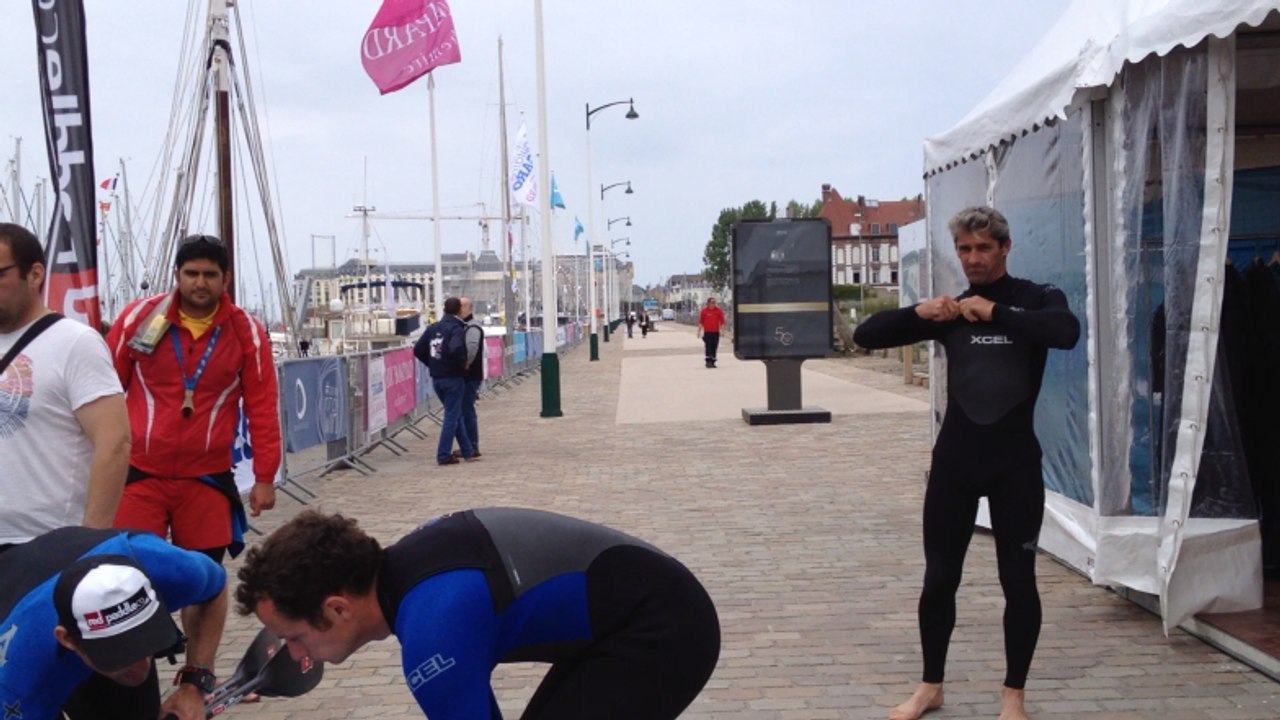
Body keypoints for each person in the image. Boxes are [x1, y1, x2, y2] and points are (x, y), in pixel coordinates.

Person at [852, 206, 1080, 720]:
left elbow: (1065, 332)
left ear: (1004, 247)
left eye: (982, 248)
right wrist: (920, 315)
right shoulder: (951, 312)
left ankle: (1012, 698)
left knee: (1018, 582)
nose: (972, 258)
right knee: (939, 579)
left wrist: (995, 312)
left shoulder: (1036, 299)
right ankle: (931, 687)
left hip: (1014, 465)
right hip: (955, 462)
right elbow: (866, 335)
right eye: (964, 249)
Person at [235, 508, 721, 720]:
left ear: (336, 608)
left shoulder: (431, 630)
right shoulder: (407, 573)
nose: (294, 653)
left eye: (293, 635)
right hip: (630, 620)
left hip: (663, 632)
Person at [105, 233, 280, 567]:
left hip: (206, 475)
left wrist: (264, 477)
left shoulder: (247, 331)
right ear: (177, 275)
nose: (200, 283)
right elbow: (105, 392)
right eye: (192, 273)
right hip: (141, 471)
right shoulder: (138, 319)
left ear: (225, 278)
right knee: (130, 575)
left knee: (205, 579)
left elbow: (262, 409)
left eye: (210, 275)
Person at [0, 525, 227, 720]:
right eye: (120, 654)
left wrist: (195, 681)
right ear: (68, 639)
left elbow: (216, 588)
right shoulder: (17, 679)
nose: (141, 666)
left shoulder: (161, 563)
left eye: (146, 643)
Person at [0, 223, 131, 552]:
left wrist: (90, 539)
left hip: (45, 540)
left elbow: (114, 441)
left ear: (34, 274)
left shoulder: (75, 343)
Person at [414, 296, 476, 466]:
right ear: (459, 310)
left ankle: (467, 449)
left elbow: (418, 349)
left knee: (454, 415)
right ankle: (443, 454)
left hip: (437, 377)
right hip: (453, 378)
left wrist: (432, 363)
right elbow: (456, 348)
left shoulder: (433, 328)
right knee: (451, 416)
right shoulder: (456, 328)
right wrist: (463, 364)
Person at [457, 297, 484, 460]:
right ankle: (467, 445)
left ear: (470, 309)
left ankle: (472, 446)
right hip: (466, 376)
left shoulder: (472, 327)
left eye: (464, 306)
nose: (461, 309)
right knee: (464, 410)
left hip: (470, 375)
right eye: (459, 306)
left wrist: (466, 363)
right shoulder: (462, 326)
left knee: (467, 410)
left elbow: (472, 348)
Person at [698, 297, 727, 368]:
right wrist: (699, 332)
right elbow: (701, 322)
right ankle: (708, 361)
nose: (713, 304)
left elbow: (722, 322)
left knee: (714, 346)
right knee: (708, 346)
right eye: (712, 302)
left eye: (714, 302)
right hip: (707, 332)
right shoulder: (704, 311)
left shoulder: (718, 311)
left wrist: (722, 331)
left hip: (716, 332)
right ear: (708, 303)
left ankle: (713, 361)